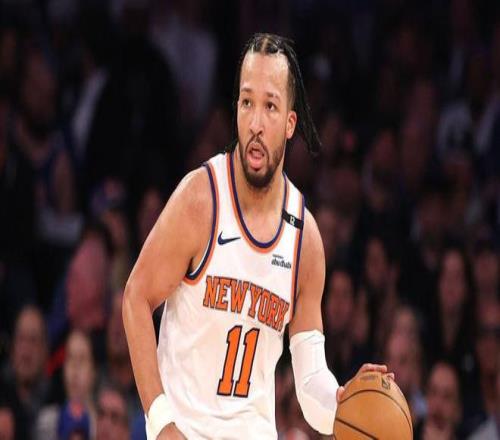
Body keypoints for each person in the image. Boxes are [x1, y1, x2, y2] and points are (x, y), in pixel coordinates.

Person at [123, 33, 389, 440]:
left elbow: (310, 384)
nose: (256, 123)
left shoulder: (304, 238)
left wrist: (344, 402)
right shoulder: (200, 199)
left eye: (270, 106)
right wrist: (161, 424)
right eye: (247, 102)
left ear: (290, 124)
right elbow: (135, 298)